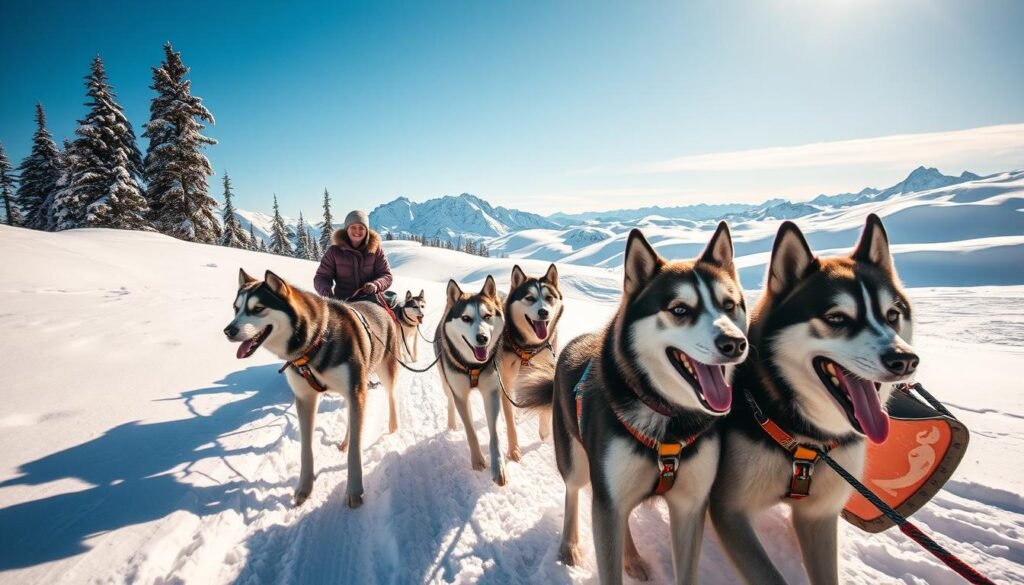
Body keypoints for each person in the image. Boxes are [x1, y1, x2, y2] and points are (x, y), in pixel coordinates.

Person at [314, 210, 393, 302]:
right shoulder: (334, 251)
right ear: (347, 229)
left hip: (370, 301)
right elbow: (322, 277)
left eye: (361, 228)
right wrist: (326, 291)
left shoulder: (375, 250)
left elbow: (386, 275)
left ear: (366, 231)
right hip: (343, 302)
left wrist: (376, 285)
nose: (357, 231)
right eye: (353, 227)